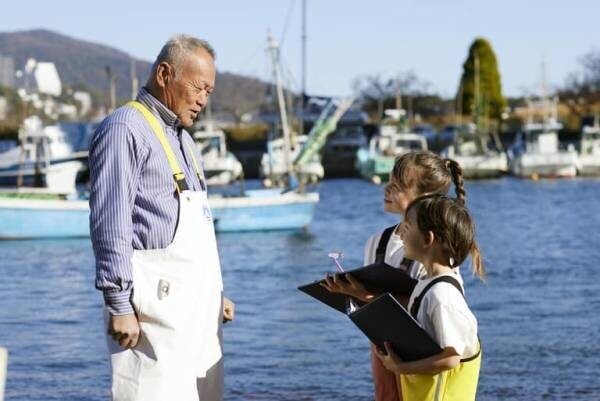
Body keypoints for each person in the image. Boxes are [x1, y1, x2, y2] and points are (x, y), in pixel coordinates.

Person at [89, 35, 234, 401]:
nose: (204, 99)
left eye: (210, 91)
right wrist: (119, 306)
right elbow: (111, 223)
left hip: (197, 315)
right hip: (152, 314)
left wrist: (215, 296)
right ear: (165, 73)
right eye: (199, 87)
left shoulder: (185, 140)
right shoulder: (124, 129)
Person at [322, 151, 465, 401]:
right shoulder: (377, 241)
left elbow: (427, 305)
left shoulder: (436, 249)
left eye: (397, 186)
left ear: (425, 197)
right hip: (382, 348)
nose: (386, 188)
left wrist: (365, 294)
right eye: (388, 181)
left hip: (422, 353)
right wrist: (346, 291)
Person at [375, 194, 484, 401]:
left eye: (407, 228)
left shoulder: (442, 295)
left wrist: (402, 368)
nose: (401, 235)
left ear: (428, 239)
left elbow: (452, 358)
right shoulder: (426, 283)